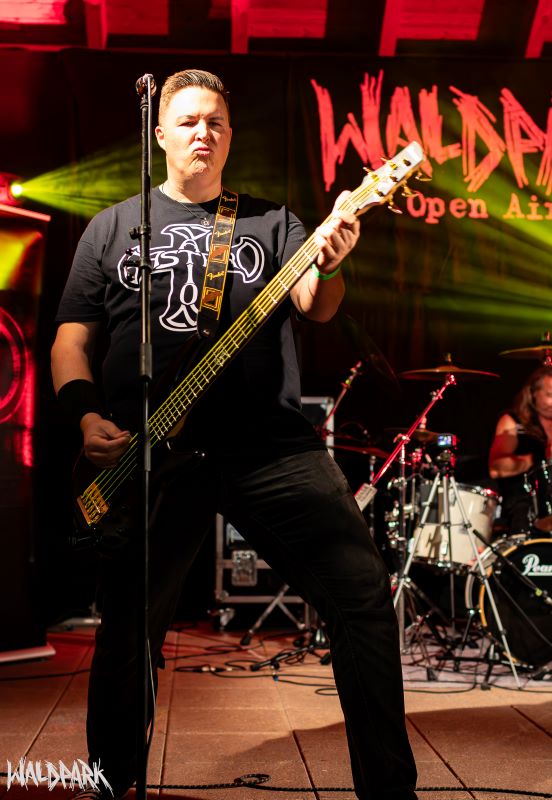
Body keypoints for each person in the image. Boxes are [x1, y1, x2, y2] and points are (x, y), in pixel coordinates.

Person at [51, 69, 418, 800]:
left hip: (267, 445)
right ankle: (112, 786)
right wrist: (86, 415)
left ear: (230, 136)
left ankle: (389, 793)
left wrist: (331, 261)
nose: (203, 132)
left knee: (361, 595)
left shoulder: (273, 222)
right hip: (148, 453)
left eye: (215, 122)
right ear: (159, 133)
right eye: (188, 120)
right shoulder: (112, 227)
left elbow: (315, 304)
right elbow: (71, 338)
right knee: (127, 630)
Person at [489, 365, 552, 534]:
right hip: (524, 503)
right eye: (549, 395)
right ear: (533, 394)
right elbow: (496, 468)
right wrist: (540, 457)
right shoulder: (514, 421)